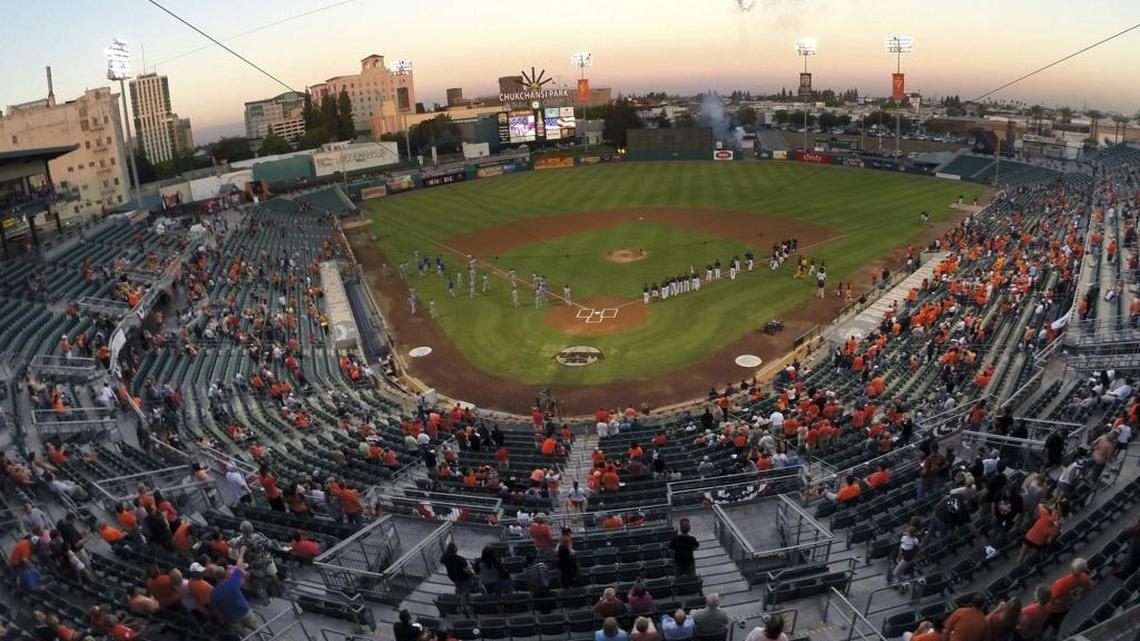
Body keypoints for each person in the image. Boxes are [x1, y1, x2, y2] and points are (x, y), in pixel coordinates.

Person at [209, 548, 258, 636]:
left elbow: (216, 609)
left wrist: (222, 618)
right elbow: (239, 566)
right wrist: (242, 552)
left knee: (245, 636)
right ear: (225, 573)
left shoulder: (213, 593)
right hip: (244, 611)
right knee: (257, 630)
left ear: (215, 577)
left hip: (232, 618)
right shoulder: (232, 581)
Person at [1045, 558, 1091, 636]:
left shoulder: (1061, 583)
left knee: (1049, 620)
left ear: (1071, 568)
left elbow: (1051, 598)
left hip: (1055, 607)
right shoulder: (1085, 578)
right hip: (1068, 604)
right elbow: (1087, 588)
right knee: (1059, 619)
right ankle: (1055, 630)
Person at [441, 543, 474, 615]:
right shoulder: (460, 560)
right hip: (463, 578)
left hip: (454, 577)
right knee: (465, 591)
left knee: (459, 588)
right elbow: (466, 570)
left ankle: (458, 601)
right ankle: (465, 605)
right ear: (455, 550)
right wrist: (472, 575)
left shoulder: (445, 558)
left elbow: (442, 560)